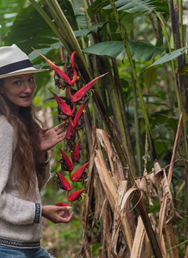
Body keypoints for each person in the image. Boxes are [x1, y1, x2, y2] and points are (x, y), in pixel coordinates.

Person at [0, 44, 73, 258]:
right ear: (1, 87)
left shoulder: (19, 124)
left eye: (30, 79)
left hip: (28, 247)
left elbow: (26, 188)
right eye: (17, 82)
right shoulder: (4, 128)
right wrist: (40, 212)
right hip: (7, 247)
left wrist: (39, 154)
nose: (28, 88)